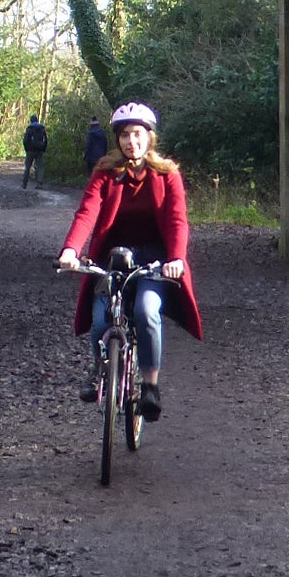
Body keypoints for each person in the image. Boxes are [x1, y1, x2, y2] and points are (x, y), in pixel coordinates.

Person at [56, 101, 202, 421]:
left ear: (149, 137)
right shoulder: (106, 173)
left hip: (154, 258)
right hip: (112, 256)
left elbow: (178, 220)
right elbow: (87, 213)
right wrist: (71, 250)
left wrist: (176, 258)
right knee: (100, 319)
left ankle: (149, 385)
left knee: (146, 310)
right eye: (124, 135)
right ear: (117, 140)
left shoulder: (167, 175)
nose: (130, 141)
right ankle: (100, 370)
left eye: (137, 134)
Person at [22, 114, 49, 188]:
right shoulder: (42, 128)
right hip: (40, 151)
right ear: (37, 120)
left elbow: (25, 141)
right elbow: (45, 140)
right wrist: (43, 149)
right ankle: (39, 183)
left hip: (30, 151)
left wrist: (27, 149)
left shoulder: (29, 128)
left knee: (27, 167)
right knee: (40, 167)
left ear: (31, 120)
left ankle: (24, 183)